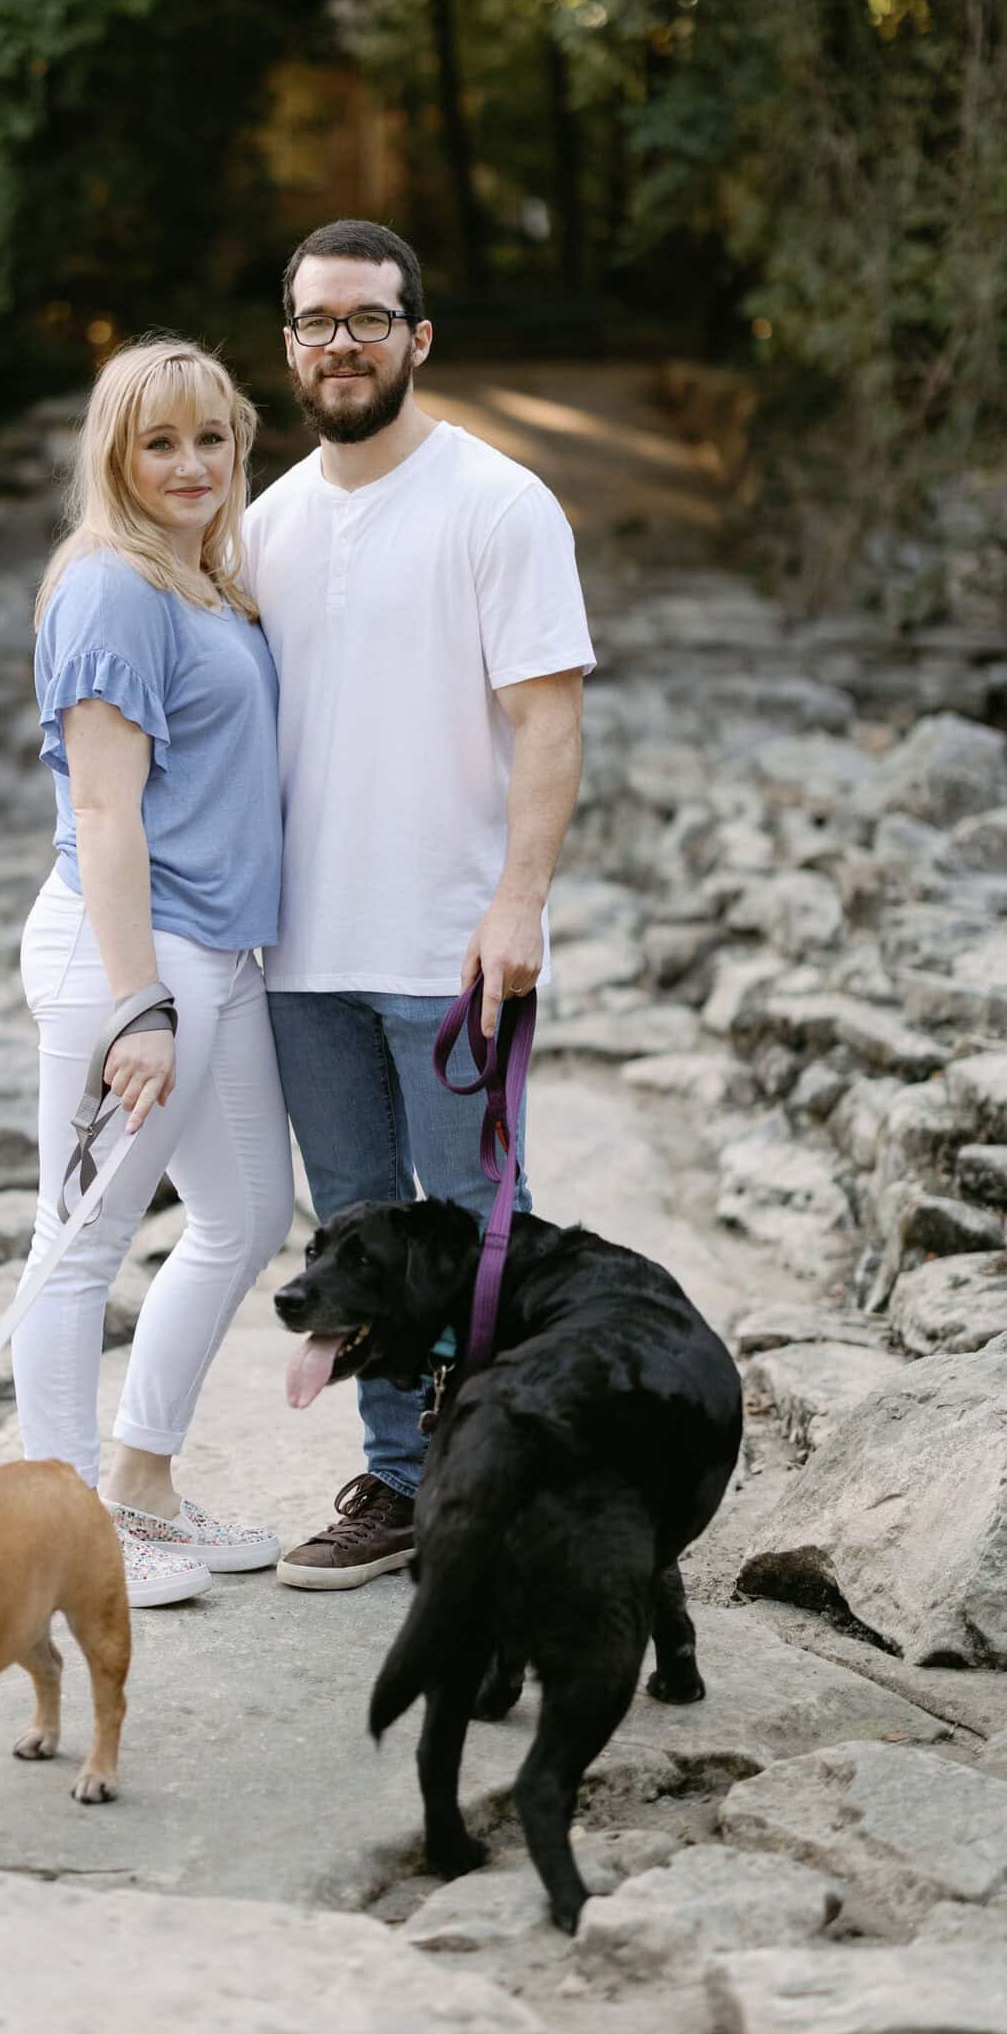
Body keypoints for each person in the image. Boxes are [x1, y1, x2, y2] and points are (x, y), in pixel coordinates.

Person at [243, 218, 594, 1591]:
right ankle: (399, 1481)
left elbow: (548, 724)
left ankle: (503, 1477)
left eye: (366, 320)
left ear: (416, 338)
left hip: (454, 949)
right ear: (288, 346)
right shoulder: (262, 524)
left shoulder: (496, 506)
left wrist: (517, 905)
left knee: (473, 1224)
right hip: (301, 955)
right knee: (349, 1234)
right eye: (316, 323)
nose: (340, 345)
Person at [15, 335, 296, 1606]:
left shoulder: (202, 578)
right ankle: (65, 1533)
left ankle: (138, 1483)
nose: (193, 464)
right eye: (160, 442)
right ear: (117, 457)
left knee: (243, 1218)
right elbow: (107, 814)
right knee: (77, 1245)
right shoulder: (113, 589)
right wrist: (140, 1004)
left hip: (214, 952)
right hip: (130, 954)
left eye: (212, 438)